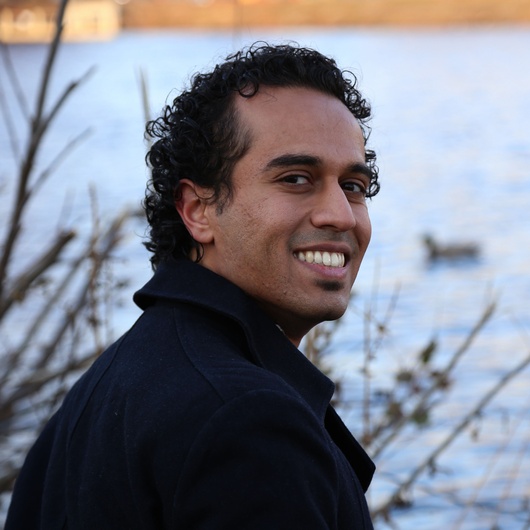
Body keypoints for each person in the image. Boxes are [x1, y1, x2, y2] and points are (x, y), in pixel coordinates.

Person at [6, 42, 380, 529]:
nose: (340, 215)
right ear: (198, 210)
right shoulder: (248, 421)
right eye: (295, 179)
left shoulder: (107, 386)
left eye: (353, 186)